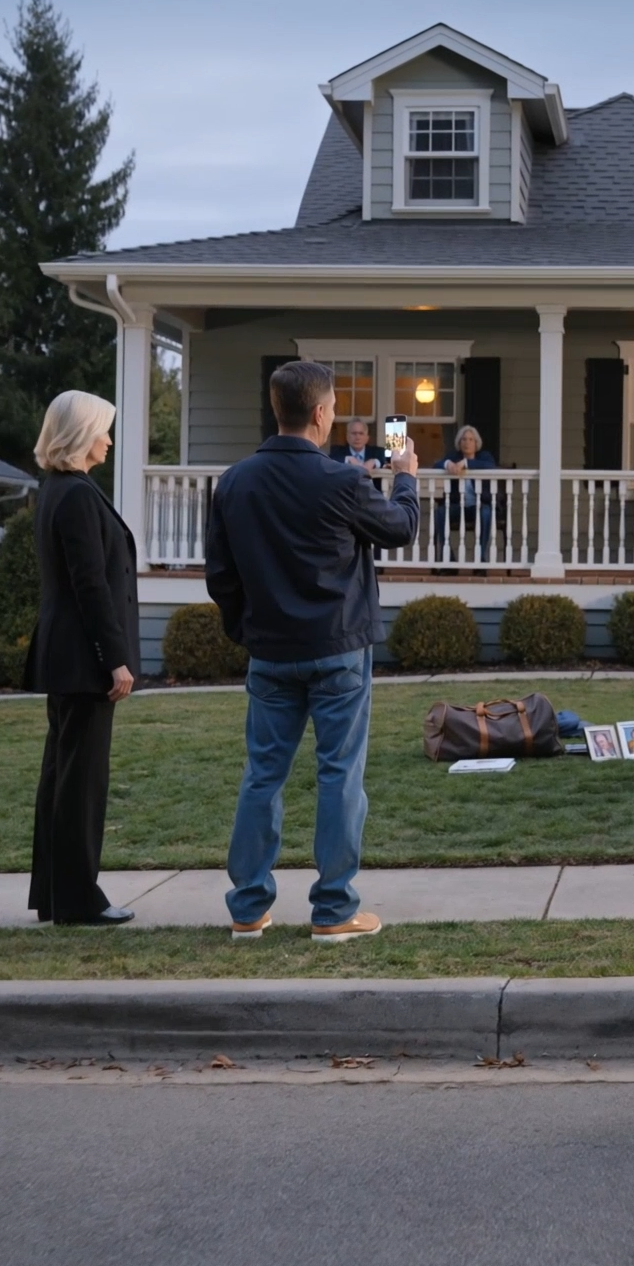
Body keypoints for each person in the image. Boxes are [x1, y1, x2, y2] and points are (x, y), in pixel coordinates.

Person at [206, 361, 420, 943]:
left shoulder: (234, 482)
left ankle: (248, 907)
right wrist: (405, 476)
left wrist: (245, 631)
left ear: (279, 410)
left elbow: (220, 576)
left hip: (270, 651)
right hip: (338, 650)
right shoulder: (340, 482)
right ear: (322, 414)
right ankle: (333, 911)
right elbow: (400, 528)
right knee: (339, 777)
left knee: (262, 777)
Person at [24, 390, 139, 926]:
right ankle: (76, 899)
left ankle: (54, 893)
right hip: (83, 660)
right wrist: (114, 658)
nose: (110, 439)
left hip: (68, 656)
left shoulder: (62, 490)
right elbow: (89, 585)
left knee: (62, 776)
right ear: (80, 435)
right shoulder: (73, 496)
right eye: (104, 429)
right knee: (80, 783)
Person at [433, 425, 496, 565]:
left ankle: (480, 559)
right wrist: (448, 464)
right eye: (464, 439)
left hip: (477, 506)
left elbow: (490, 466)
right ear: (459, 443)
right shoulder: (453, 457)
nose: (467, 443)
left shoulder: (484, 457)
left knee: (486, 513)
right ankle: (448, 559)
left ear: (476, 443)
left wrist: (466, 463)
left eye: (470, 440)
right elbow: (437, 464)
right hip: (457, 506)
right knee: (441, 513)